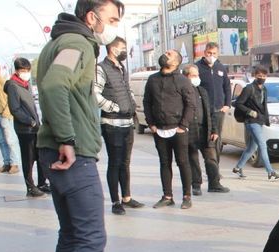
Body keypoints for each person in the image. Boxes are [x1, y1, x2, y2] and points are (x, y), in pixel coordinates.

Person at [36, 0, 125, 252]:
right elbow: (55, 86)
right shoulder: (77, 43)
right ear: (92, 17)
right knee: (91, 239)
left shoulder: (59, 41)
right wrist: (68, 140)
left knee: (72, 236)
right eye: (112, 19)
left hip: (55, 150)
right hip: (72, 155)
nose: (115, 26)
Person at [94, 36, 144, 215]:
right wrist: (114, 107)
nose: (125, 51)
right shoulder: (101, 68)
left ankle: (127, 197)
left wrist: (131, 104)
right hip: (112, 123)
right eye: (123, 47)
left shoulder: (122, 68)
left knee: (125, 162)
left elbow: (126, 89)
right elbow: (95, 94)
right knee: (115, 163)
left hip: (127, 123)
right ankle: (116, 201)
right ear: (112, 49)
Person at [144, 49, 195, 209]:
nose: (166, 53)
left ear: (176, 62)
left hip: (178, 129)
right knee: (164, 163)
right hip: (159, 129)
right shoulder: (152, 79)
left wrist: (183, 126)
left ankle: (187, 196)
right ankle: (167, 196)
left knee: (183, 162)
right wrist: (151, 124)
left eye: (170, 53)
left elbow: (191, 104)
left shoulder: (182, 80)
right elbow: (147, 102)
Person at [182, 64, 229, 195]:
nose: (197, 78)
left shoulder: (202, 91)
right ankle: (196, 185)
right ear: (186, 77)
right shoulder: (181, 92)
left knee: (211, 157)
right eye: (193, 75)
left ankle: (214, 183)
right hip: (190, 130)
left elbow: (210, 112)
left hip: (205, 130)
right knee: (193, 159)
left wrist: (214, 130)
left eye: (197, 75)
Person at [5, 58, 48, 197]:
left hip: (35, 127)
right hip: (25, 129)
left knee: (41, 156)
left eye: (27, 70)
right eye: (23, 70)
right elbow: (15, 109)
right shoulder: (13, 85)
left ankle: (42, 183)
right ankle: (30, 187)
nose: (26, 73)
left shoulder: (26, 84)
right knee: (28, 158)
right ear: (17, 71)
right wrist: (29, 121)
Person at [232, 65, 279, 181]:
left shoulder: (264, 89)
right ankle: (270, 172)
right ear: (255, 76)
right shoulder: (249, 88)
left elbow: (264, 106)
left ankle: (238, 168)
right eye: (260, 76)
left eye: (264, 76)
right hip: (251, 121)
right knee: (262, 145)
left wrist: (267, 120)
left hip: (260, 120)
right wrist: (249, 112)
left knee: (251, 148)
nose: (262, 78)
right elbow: (238, 103)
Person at [195, 42, 231, 153]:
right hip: (204, 108)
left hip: (219, 109)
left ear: (218, 54)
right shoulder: (197, 67)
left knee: (217, 137)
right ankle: (208, 157)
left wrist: (227, 104)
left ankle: (215, 162)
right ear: (205, 52)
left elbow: (227, 87)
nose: (211, 56)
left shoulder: (220, 67)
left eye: (214, 53)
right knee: (206, 134)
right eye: (209, 53)